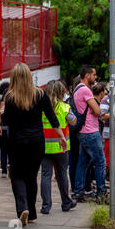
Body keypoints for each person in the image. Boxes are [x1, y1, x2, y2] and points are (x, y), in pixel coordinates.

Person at [1, 63, 67, 226]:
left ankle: (23, 208)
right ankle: (31, 214)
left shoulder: (10, 97)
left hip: (17, 142)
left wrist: (2, 113)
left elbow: (7, 121)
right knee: (31, 176)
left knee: (17, 175)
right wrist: (61, 137)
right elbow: (52, 117)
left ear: (14, 77)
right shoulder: (40, 94)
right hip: (37, 142)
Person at [40, 80, 77, 214]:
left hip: (44, 147)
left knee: (45, 175)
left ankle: (46, 206)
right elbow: (73, 122)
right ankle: (66, 203)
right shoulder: (64, 108)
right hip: (61, 147)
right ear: (61, 92)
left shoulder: (41, 108)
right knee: (62, 175)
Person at [71, 65, 106, 203]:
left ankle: (78, 191)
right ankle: (101, 193)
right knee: (100, 162)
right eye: (94, 75)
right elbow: (98, 111)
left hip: (82, 132)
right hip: (90, 131)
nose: (95, 78)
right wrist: (95, 107)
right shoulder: (85, 90)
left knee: (83, 163)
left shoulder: (77, 89)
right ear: (87, 76)